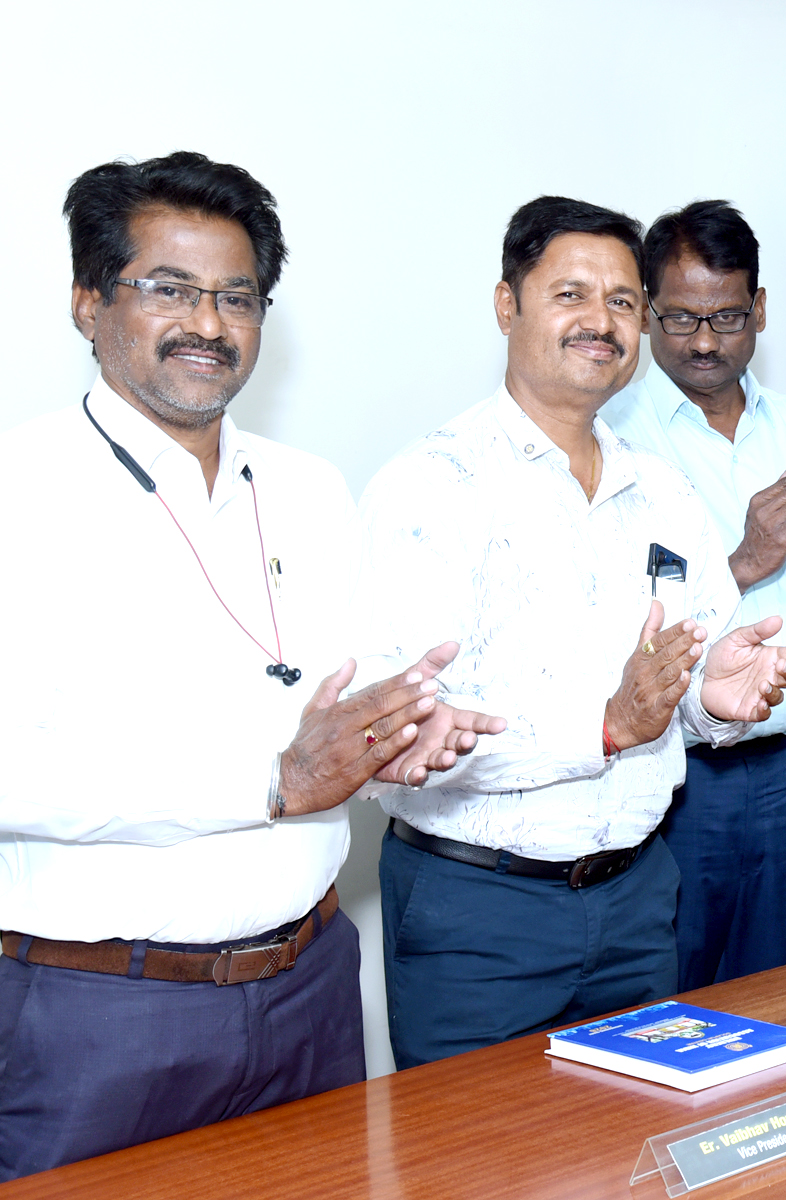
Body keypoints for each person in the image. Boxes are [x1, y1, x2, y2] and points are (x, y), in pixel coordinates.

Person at [0, 152, 503, 1180]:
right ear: (88, 301)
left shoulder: (308, 487)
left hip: (309, 988)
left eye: (237, 297)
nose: (209, 323)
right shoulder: (21, 489)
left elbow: (342, 693)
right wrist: (271, 782)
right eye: (169, 289)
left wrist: (402, 734)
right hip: (100, 1012)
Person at [358, 196, 786, 1069]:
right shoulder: (431, 487)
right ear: (507, 304)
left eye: (623, 301)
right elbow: (399, 735)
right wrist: (604, 727)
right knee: (478, 1147)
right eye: (571, 294)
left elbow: (675, 695)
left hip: (639, 898)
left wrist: (711, 700)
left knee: (643, 1140)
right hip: (480, 916)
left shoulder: (663, 493)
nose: (600, 321)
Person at [605, 201, 786, 988]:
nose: (704, 340)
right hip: (678, 778)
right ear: (648, 312)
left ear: (759, 309)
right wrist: (744, 560)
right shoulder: (613, 438)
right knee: (673, 1006)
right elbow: (614, 626)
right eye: (681, 318)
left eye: (727, 316)